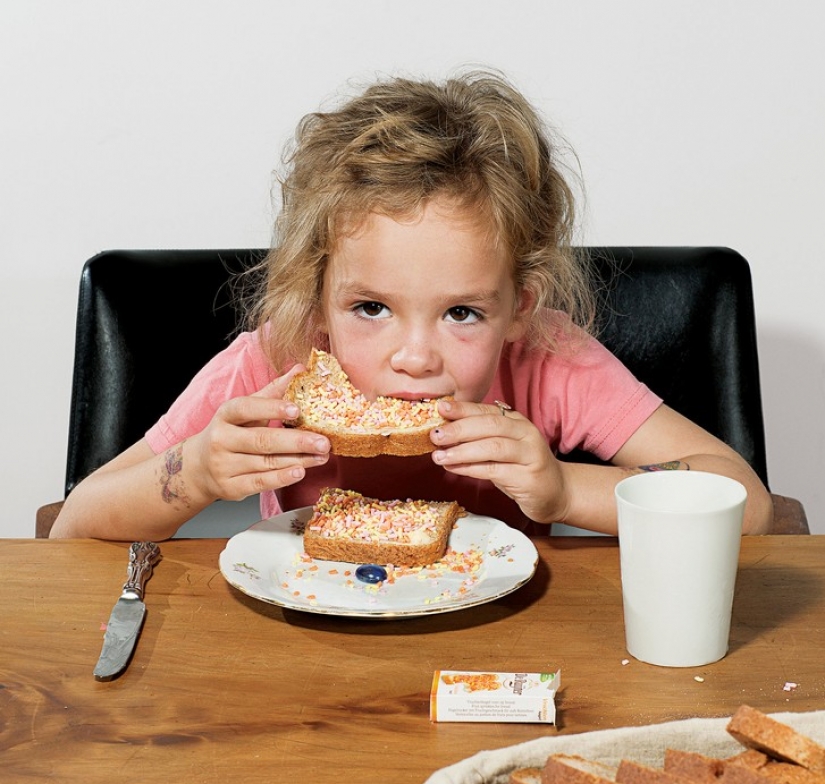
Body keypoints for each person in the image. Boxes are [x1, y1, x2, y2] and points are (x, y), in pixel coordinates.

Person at [50, 70, 773, 541]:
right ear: (319, 299)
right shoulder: (277, 362)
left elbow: (747, 501)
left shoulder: (547, 358)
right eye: (370, 308)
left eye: (462, 313)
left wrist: (563, 489)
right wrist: (200, 470)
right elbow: (75, 527)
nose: (414, 357)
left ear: (519, 307)